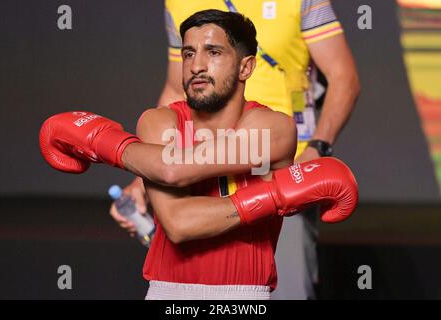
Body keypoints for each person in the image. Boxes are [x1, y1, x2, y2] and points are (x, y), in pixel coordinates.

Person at [39, 10, 358, 300]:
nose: (196, 65)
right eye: (188, 53)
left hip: (245, 298)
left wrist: (104, 142)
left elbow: (173, 171)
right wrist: (273, 194)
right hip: (168, 296)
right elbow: (178, 224)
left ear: (246, 66)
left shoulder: (273, 128)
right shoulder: (158, 122)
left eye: (213, 52)